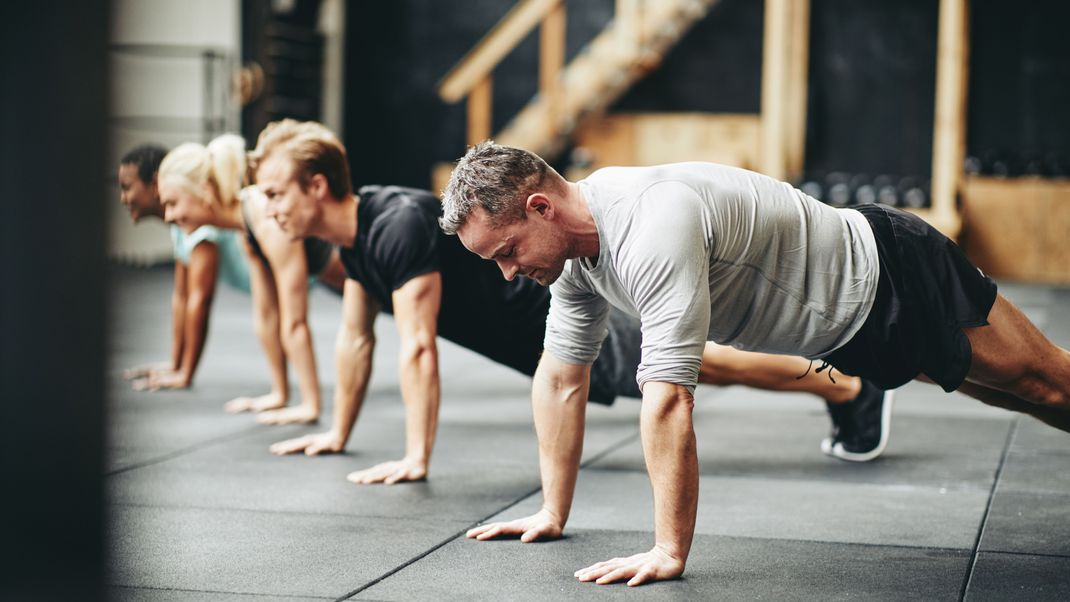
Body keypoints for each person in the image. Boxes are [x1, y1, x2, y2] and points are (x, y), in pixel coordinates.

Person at [440, 141, 1070, 587]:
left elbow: (668, 397)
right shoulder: (573, 262)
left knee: (1047, 384)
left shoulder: (651, 222)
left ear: (541, 208)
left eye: (508, 251)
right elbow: (560, 377)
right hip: (847, 335)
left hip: (894, 274)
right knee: (1009, 395)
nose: (509, 272)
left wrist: (667, 550)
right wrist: (553, 512)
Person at [251, 120, 892, 490]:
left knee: (699, 365)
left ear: (316, 185)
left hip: (560, 306)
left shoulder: (392, 227)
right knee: (699, 363)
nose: (269, 209)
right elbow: (356, 339)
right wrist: (337, 432)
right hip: (527, 333)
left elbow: (417, 345)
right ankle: (846, 388)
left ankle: (847, 390)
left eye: (277, 192)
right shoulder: (358, 240)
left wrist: (417, 457)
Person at [156, 134, 347, 425]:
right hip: (339, 280)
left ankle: (309, 400)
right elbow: (267, 313)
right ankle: (281, 391)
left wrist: (310, 406)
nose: (168, 216)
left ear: (205, 192)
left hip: (363, 274)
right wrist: (279, 394)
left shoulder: (267, 220)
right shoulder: (247, 223)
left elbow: (295, 321)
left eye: (173, 203)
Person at [118, 144, 251, 392]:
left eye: (127, 187)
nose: (123, 198)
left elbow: (200, 300)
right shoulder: (181, 226)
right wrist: (175, 365)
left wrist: (185, 375)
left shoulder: (198, 224)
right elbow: (181, 296)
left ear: (155, 182)